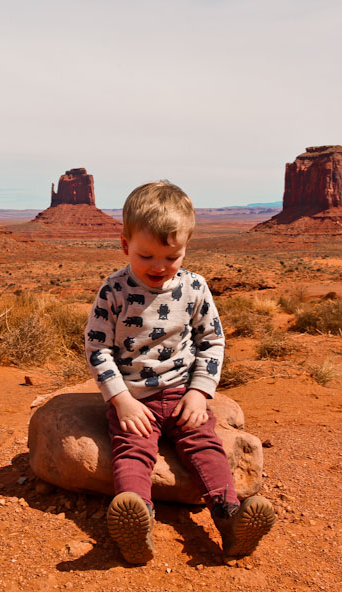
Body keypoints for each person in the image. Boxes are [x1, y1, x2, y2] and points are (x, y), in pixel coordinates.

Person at [84, 180, 275, 564]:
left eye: (171, 257)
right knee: (132, 451)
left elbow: (212, 342)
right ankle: (137, 519)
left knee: (205, 444)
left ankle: (230, 517)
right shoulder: (114, 290)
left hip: (181, 392)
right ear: (125, 246)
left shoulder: (194, 287)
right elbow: (97, 347)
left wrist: (199, 393)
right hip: (134, 397)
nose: (159, 266)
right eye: (146, 256)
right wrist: (120, 401)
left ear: (187, 246)